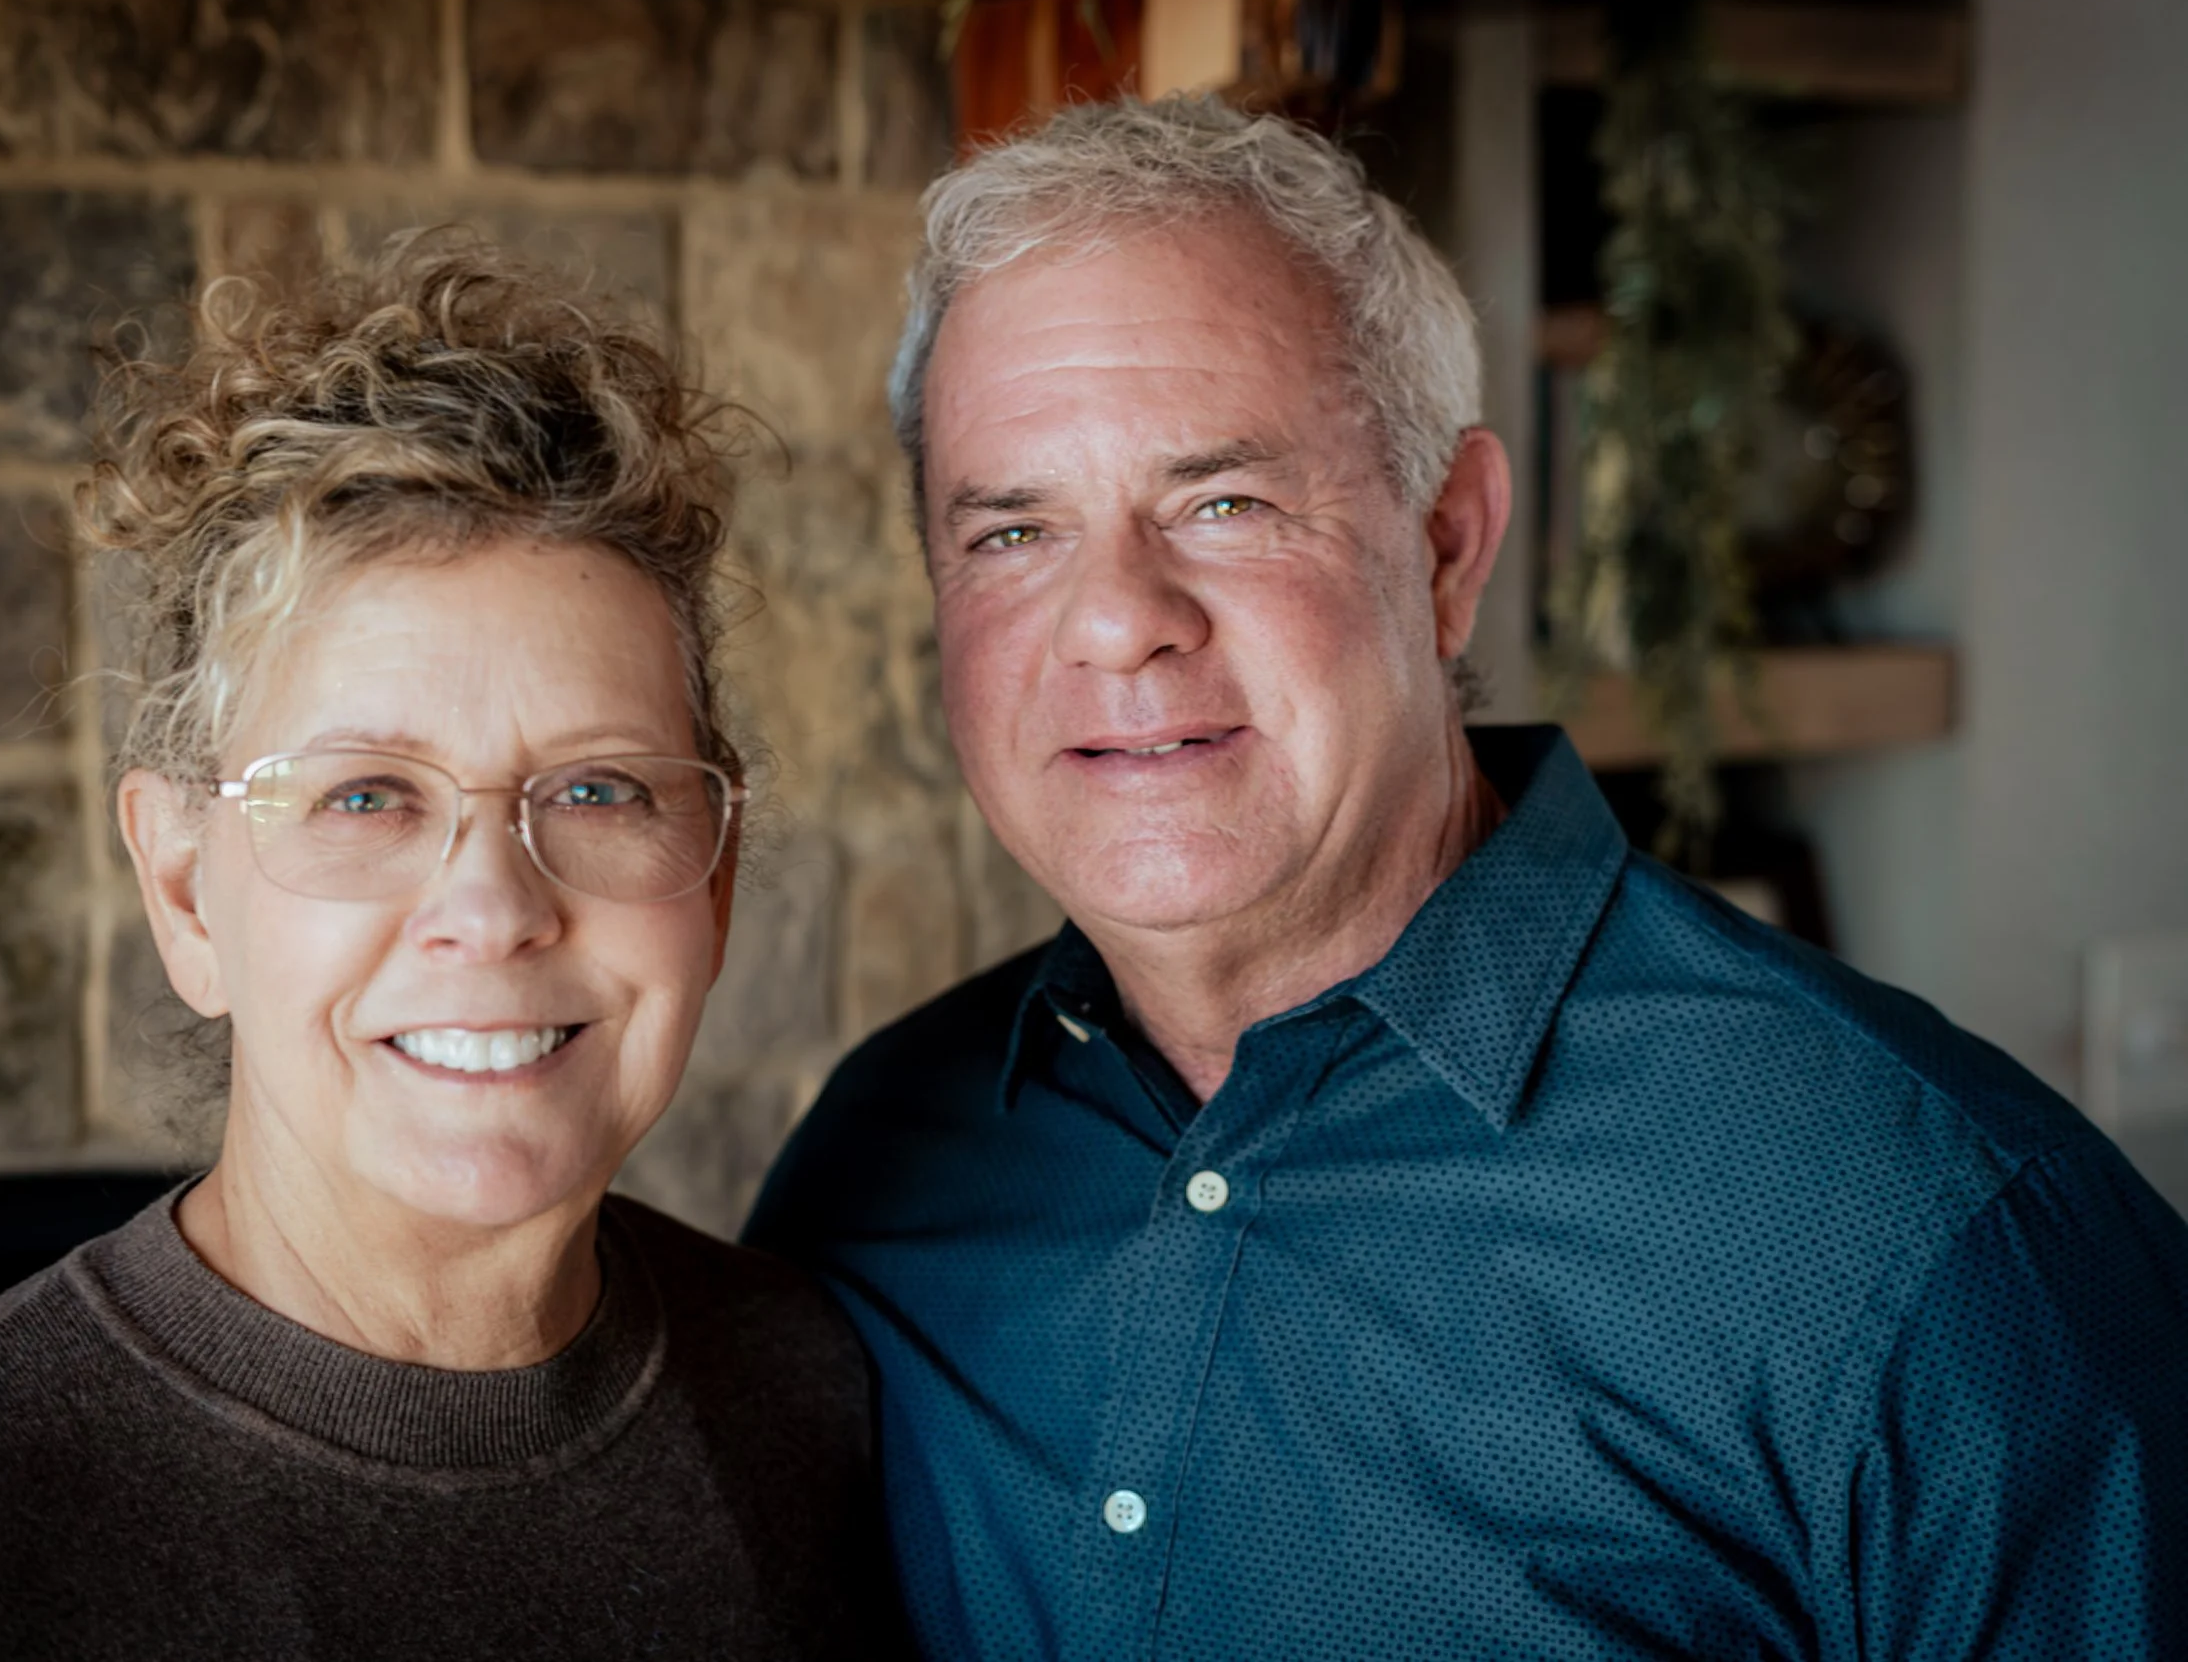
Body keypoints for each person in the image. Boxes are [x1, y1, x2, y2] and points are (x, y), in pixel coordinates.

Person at [745, 95, 2188, 1659]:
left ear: (1449, 544)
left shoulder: (1946, 1253)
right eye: (1014, 531)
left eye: (1222, 502)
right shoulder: (874, 1172)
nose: (1117, 622)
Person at [0, 241, 907, 1660]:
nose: (495, 907)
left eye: (595, 789)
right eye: (365, 797)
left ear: (714, 879)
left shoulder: (815, 1395)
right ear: (187, 893)